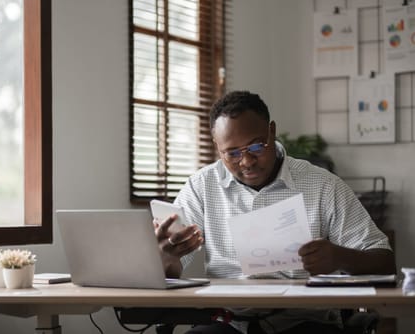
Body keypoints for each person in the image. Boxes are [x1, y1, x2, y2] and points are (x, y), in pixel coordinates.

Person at [154, 90, 396, 334]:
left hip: (306, 321)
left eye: (256, 146)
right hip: (230, 323)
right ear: (217, 147)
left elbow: (385, 262)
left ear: (272, 130)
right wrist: (167, 256)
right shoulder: (201, 187)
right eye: (233, 153)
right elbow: (169, 274)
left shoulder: (322, 185)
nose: (247, 161)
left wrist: (340, 257)